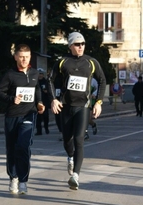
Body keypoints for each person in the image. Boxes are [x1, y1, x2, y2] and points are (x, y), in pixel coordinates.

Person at [48, 32, 106, 190]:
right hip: (65, 107)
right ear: (70, 46)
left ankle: (76, 176)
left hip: (83, 107)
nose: (80, 47)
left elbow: (102, 80)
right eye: (77, 44)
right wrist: (54, 99)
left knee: (79, 139)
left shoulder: (91, 62)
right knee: (67, 140)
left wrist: (98, 102)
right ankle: (70, 157)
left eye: (83, 44)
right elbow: (50, 80)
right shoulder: (62, 62)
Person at [0, 44, 45, 194]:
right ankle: (13, 177)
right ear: (16, 57)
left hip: (29, 114)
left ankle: (23, 180)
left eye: (27, 57)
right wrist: (11, 99)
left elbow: (37, 89)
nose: (24, 60)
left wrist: (40, 103)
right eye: (21, 57)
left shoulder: (35, 73)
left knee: (23, 146)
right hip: (12, 116)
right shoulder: (10, 75)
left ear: (30, 57)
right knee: (12, 149)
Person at [35, 68, 50, 135]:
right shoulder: (35, 82)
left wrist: (47, 92)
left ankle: (46, 128)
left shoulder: (46, 82)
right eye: (39, 74)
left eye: (41, 74)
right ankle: (39, 131)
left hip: (45, 101)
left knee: (45, 116)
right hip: (37, 102)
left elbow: (50, 91)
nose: (40, 75)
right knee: (38, 117)